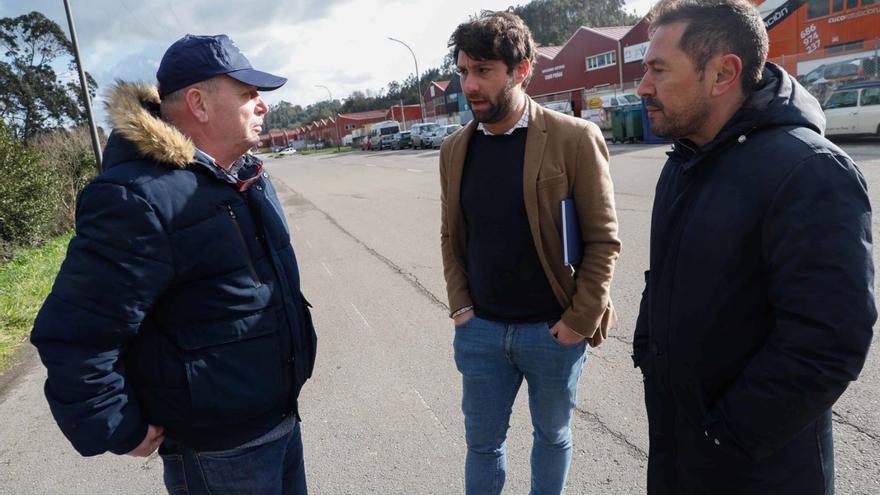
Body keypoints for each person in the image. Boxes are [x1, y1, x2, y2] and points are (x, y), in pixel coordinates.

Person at [30, 34, 317, 494]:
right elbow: (75, 332)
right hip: (218, 454)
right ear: (199, 104)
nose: (262, 105)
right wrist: (117, 425)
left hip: (279, 422)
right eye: (247, 94)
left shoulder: (244, 177)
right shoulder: (137, 198)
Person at [633, 1, 875, 493]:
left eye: (659, 70)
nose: (643, 87)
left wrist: (726, 437)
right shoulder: (684, 162)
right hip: (681, 454)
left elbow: (827, 341)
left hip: (758, 470)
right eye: (644, 69)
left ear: (723, 72)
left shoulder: (807, 171)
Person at [440, 12, 620, 494]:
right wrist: (461, 307)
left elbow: (603, 239)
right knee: (482, 446)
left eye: (484, 71)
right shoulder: (455, 149)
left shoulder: (573, 138)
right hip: (480, 333)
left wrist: (580, 320)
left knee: (552, 436)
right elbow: (451, 235)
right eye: (463, 71)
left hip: (552, 332)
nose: (469, 84)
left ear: (521, 71)